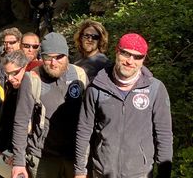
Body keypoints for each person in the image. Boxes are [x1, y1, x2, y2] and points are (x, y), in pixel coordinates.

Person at [74, 33, 173, 178]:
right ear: (117, 51)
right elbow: (84, 130)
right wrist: (80, 171)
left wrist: (164, 175)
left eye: (137, 57)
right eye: (126, 54)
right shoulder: (96, 87)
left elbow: (164, 135)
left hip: (140, 173)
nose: (130, 61)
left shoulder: (155, 89)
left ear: (143, 59)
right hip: (102, 172)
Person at [11, 32, 87, 178]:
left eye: (59, 57)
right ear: (42, 57)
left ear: (67, 56)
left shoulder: (79, 76)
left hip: (74, 155)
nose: (54, 63)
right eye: (48, 57)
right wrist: (19, 162)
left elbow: (89, 118)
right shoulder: (32, 79)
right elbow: (20, 122)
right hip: (42, 157)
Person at [0, 51, 29, 172]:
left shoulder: (33, 90)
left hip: (25, 155)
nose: (10, 78)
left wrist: (19, 155)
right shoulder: (10, 88)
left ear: (25, 68)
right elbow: (5, 122)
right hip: (8, 153)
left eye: (14, 73)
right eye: (7, 74)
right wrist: (0, 148)